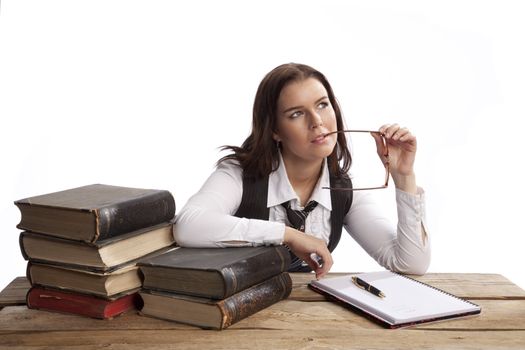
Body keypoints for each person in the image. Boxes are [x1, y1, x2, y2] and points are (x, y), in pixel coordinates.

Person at [174, 63, 429, 279]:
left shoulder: (342, 191)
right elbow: (187, 226)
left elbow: (411, 264)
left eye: (322, 105)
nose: (317, 121)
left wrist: (404, 176)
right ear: (274, 129)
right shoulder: (239, 174)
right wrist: (287, 235)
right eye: (296, 113)